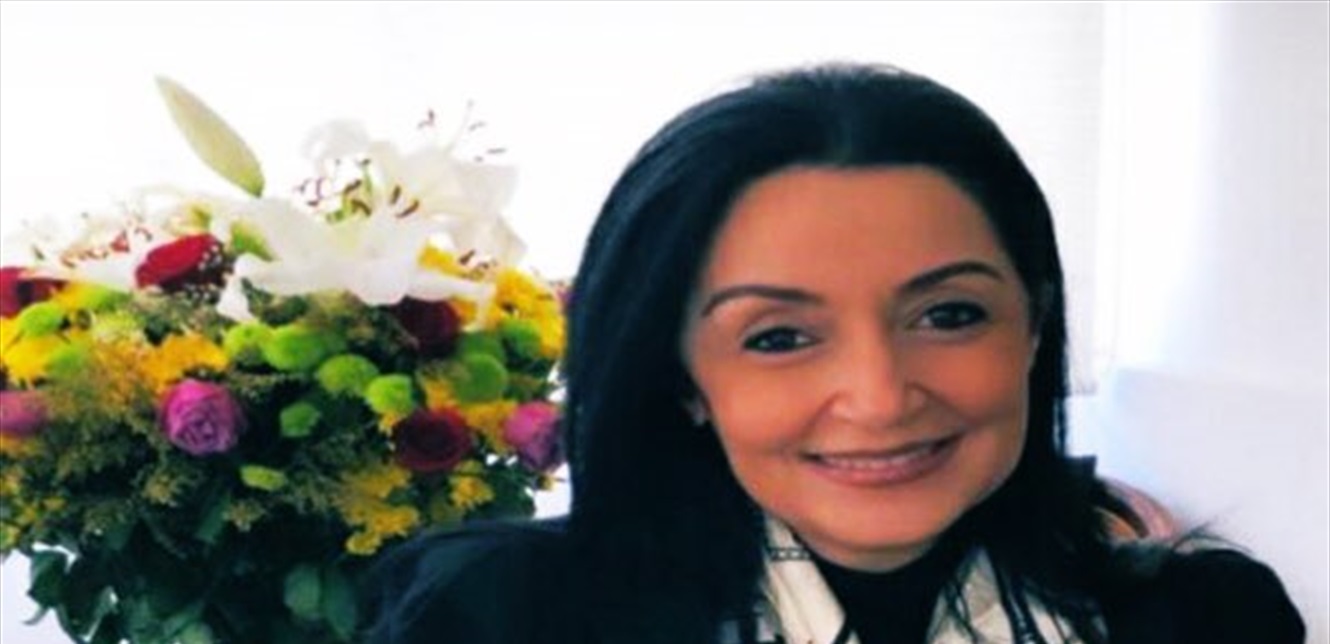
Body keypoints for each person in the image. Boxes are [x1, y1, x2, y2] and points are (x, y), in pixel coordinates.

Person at [360, 63, 1305, 643]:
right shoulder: (499, 616)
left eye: (950, 315)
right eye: (779, 338)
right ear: (683, 378)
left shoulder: (1212, 619)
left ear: (1033, 325)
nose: (880, 397)